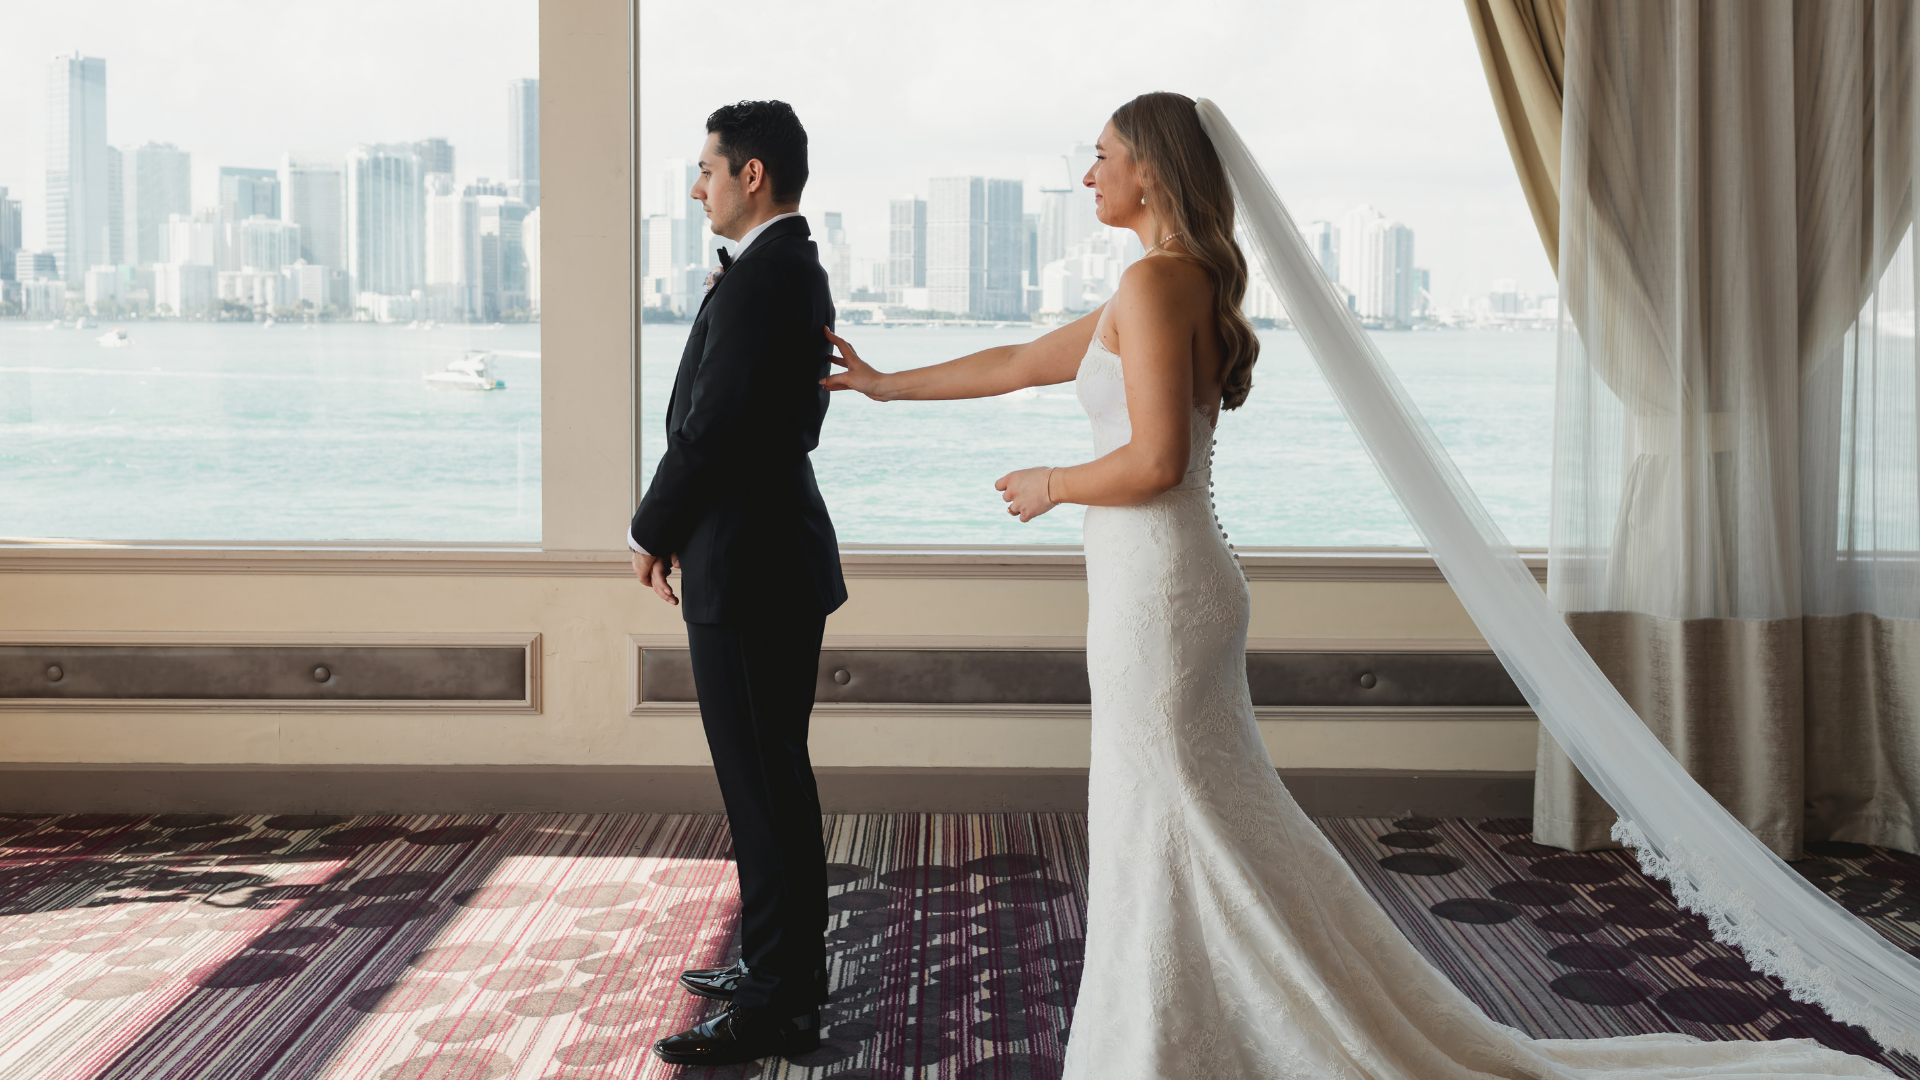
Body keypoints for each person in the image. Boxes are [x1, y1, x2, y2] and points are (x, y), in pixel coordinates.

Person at [822, 92, 1889, 1078]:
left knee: (1169, 811)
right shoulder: (1161, 281)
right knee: (1191, 813)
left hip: (1160, 591)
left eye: (1100, 156)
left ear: (1150, 170)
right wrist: (882, 387)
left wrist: (1053, 482)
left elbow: (1154, 463)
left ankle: (1173, 1035)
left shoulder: (1157, 283)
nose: (1086, 174)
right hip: (1167, 585)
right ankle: (1195, 1018)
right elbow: (1015, 361)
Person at [630, 99, 845, 1066]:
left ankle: (782, 1002)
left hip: (754, 568)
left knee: (765, 788)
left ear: (751, 174)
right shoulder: (783, 269)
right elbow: (761, 427)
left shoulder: (772, 276)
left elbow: (710, 430)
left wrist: (652, 528)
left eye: (707, 169)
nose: (695, 187)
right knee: (763, 783)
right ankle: (776, 967)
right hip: (752, 554)